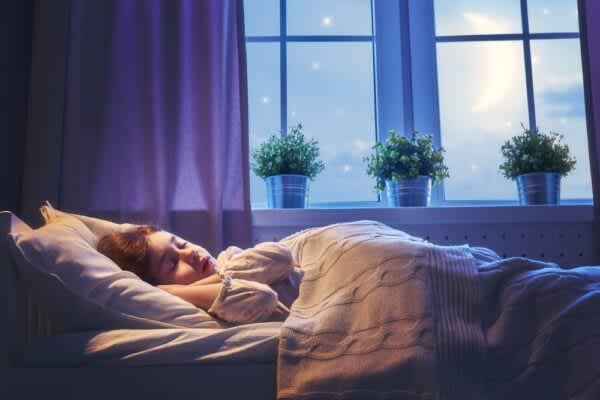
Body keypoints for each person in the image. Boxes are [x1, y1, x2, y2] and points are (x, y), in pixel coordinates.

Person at [97, 226, 303, 324]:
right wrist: (178, 292)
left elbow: (282, 256)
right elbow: (263, 297)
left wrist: (219, 275)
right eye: (173, 263)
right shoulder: (210, 304)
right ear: (162, 287)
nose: (190, 253)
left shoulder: (229, 257)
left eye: (181, 244)